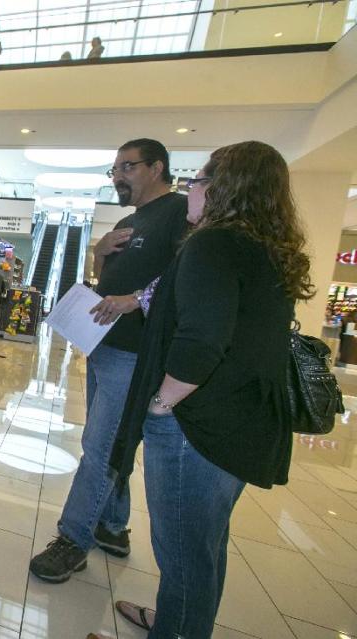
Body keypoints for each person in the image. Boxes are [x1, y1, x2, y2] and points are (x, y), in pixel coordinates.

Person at [96, 141, 314, 639]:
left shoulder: (212, 246)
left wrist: (160, 403)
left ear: (222, 190)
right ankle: (175, 622)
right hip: (242, 423)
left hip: (199, 427)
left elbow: (201, 342)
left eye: (198, 180)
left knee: (184, 554)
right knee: (206, 547)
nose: (190, 188)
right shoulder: (264, 249)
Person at [28, 139, 189, 583]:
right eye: (114, 170)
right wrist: (98, 253)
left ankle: (73, 539)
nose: (118, 176)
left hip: (138, 353)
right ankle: (112, 526)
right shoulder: (127, 221)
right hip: (105, 346)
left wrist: (137, 299)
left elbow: (185, 275)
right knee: (113, 442)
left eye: (127, 167)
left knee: (99, 448)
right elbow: (106, 284)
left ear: (157, 167)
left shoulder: (179, 214)